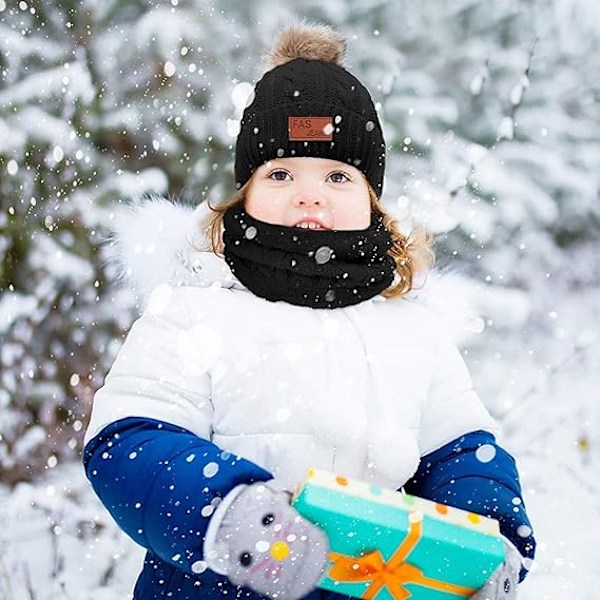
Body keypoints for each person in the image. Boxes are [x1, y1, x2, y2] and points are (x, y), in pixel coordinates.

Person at [83, 24, 535, 600]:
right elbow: (130, 440)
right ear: (242, 194)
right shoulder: (195, 309)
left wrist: (488, 538)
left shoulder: (411, 329)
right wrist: (228, 514)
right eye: (280, 173)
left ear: (373, 203)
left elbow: (463, 450)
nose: (309, 193)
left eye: (338, 176)